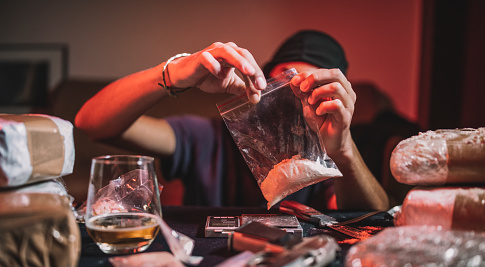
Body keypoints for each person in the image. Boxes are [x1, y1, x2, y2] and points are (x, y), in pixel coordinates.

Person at [75, 30, 389, 211]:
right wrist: (174, 73)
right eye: (285, 86)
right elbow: (92, 122)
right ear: (264, 86)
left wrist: (343, 150)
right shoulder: (206, 138)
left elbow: (369, 218)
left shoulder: (329, 152)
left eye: (311, 90)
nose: (295, 102)